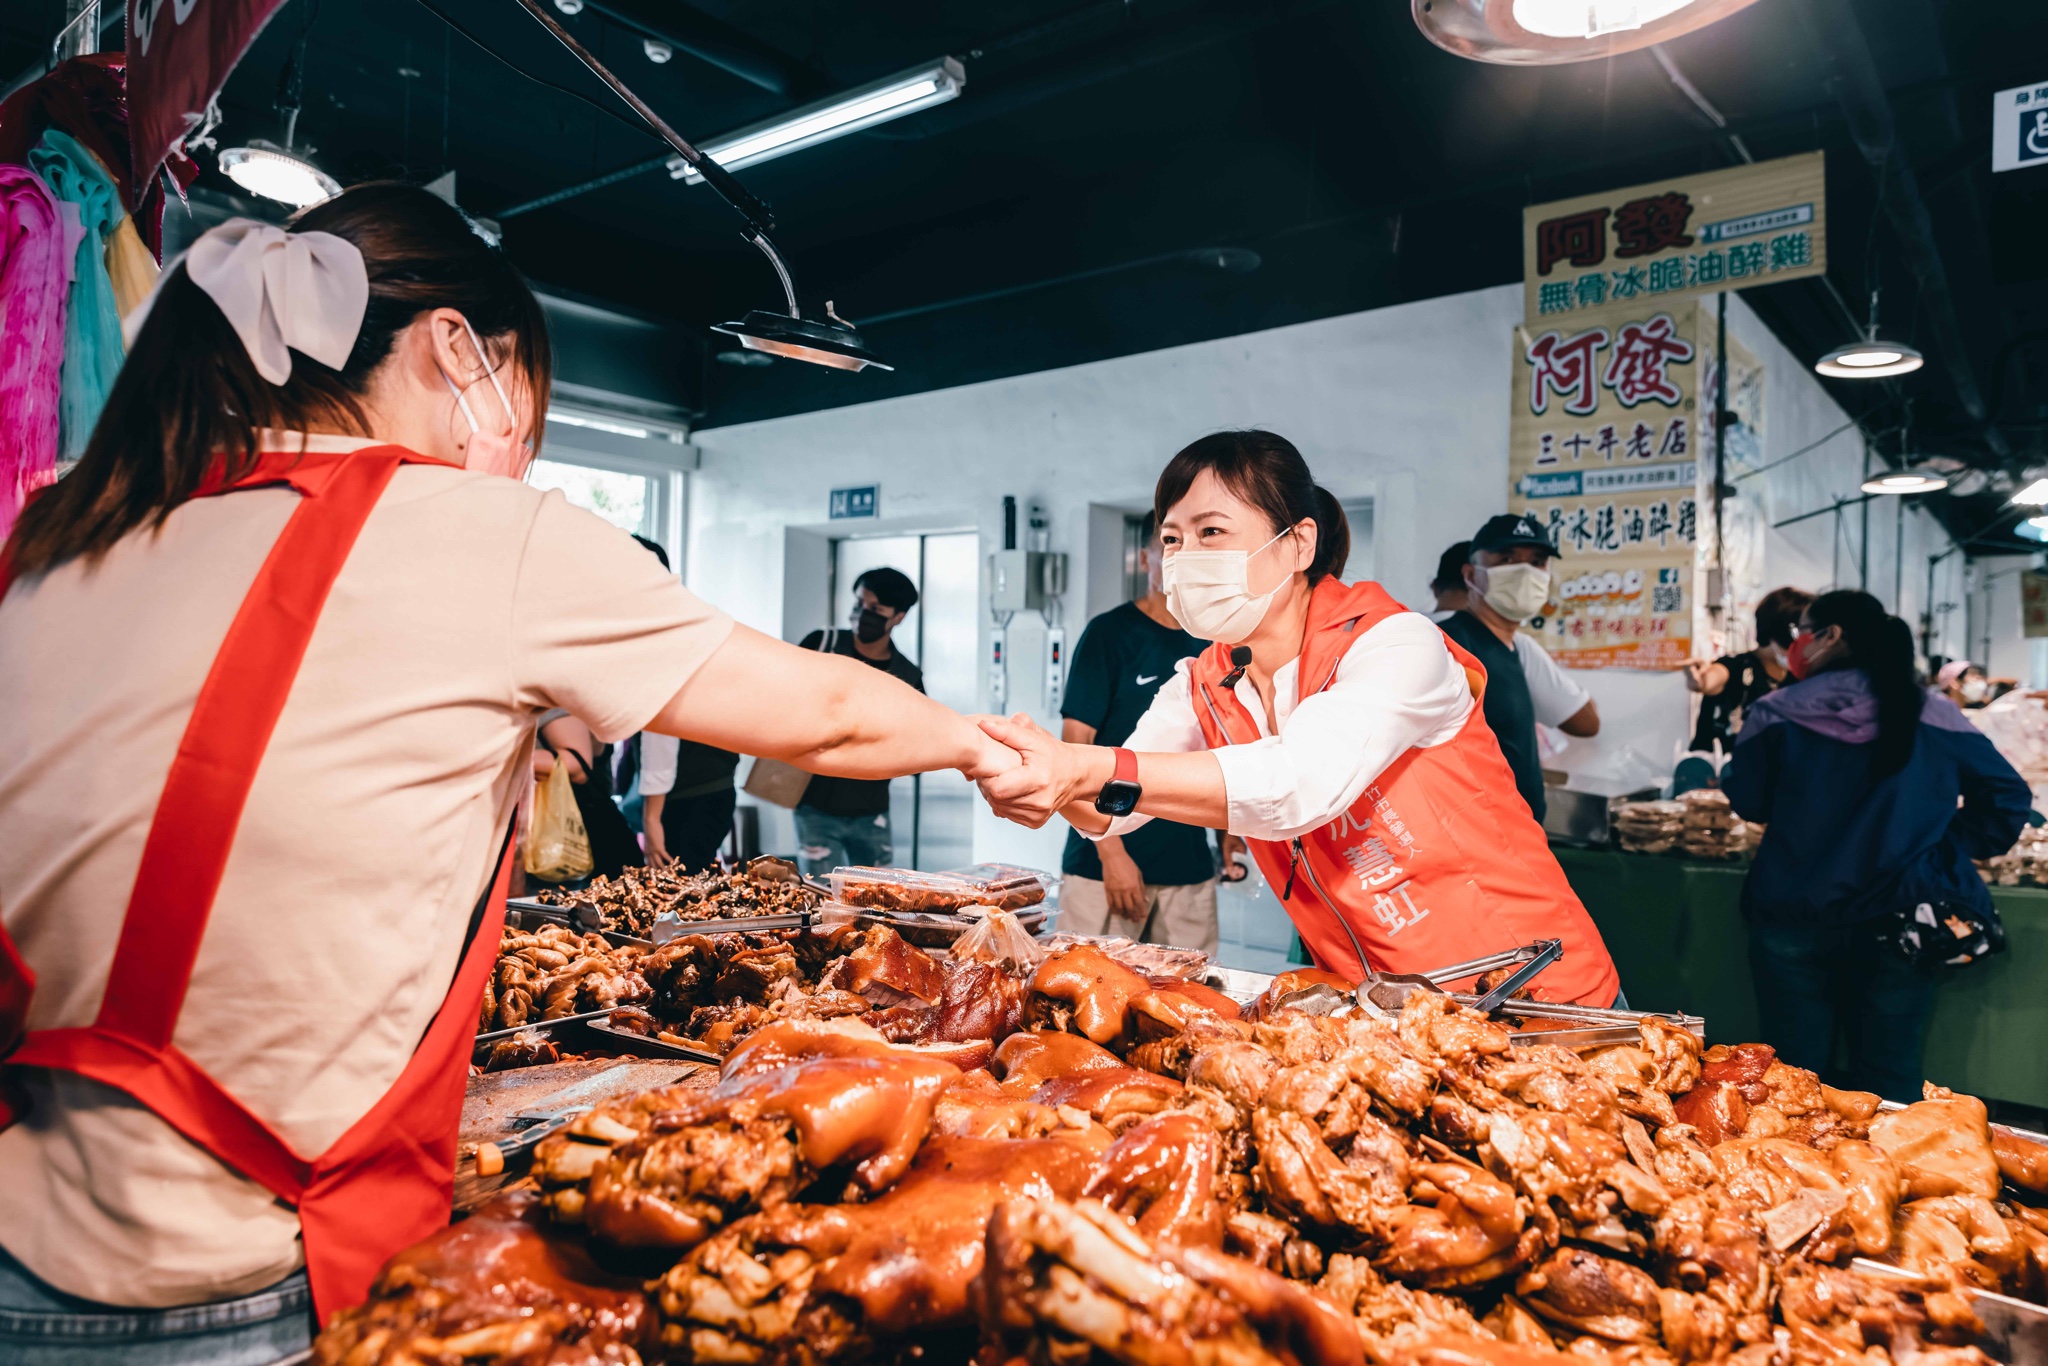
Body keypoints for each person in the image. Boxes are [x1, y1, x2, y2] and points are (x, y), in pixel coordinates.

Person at [0, 185, 1014, 1361]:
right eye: (526, 393)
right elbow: (828, 716)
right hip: (242, 1279)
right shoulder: (484, 530)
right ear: (453, 348)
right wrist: (1014, 750)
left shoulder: (75, 529)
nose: (518, 443)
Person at [975, 430, 1620, 1007]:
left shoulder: (1394, 644)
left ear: (1298, 544)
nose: (1184, 556)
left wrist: (1083, 766)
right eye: (1171, 538)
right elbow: (1108, 807)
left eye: (1212, 532)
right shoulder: (1207, 679)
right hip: (1386, 1006)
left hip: (1530, 995)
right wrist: (1026, 768)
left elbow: (1297, 785)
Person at [1721, 590, 2030, 1102]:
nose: (1795, 645)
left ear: (1831, 635)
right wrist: (1946, 847)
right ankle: (1886, 1178)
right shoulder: (1932, 711)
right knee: (1889, 1079)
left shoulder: (1775, 712)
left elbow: (1750, 801)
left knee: (1792, 1082)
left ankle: (1794, 1178)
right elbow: (2008, 797)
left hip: (1792, 915)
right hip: (1903, 918)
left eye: (1802, 632)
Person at [1060, 511, 1246, 956]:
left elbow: (1224, 745)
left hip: (1187, 865)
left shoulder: (1217, 643)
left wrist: (1229, 834)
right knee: (1085, 998)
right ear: (1146, 558)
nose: (1181, 562)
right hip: (1101, 864)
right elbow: (1073, 752)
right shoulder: (1109, 634)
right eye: (1169, 546)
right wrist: (1112, 853)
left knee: (1189, 1005)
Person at [1436, 514, 1578, 821]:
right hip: (1476, 839)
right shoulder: (1450, 645)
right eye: (1507, 559)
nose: (1525, 572)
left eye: (1537, 562)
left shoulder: (1512, 648)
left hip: (1518, 837)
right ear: (1471, 574)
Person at [793, 567, 925, 874]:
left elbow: (919, 738)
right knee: (820, 900)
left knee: (876, 902)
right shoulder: (822, 645)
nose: (863, 615)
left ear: (898, 617)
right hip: (815, 805)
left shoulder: (906, 675)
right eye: (859, 605)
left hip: (872, 812)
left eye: (876, 610)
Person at [624, 535, 741, 873]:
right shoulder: (691, 619)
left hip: (689, 796)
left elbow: (663, 726)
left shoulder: (663, 630)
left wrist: (652, 816)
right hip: (707, 788)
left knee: (676, 900)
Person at [1430, 538, 1598, 749]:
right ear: (1473, 579)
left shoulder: (1407, 633)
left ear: (1435, 588)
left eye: (1537, 562)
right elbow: (1585, 722)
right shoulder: (1510, 643)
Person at [1685, 586, 1813, 752]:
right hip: (1716, 770)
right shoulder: (1737, 666)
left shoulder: (1798, 678)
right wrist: (1700, 680)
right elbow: (1712, 679)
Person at [533, 708, 644, 882]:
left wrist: (493, 756)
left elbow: (577, 763)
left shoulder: (553, 697)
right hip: (565, 835)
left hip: (579, 834)